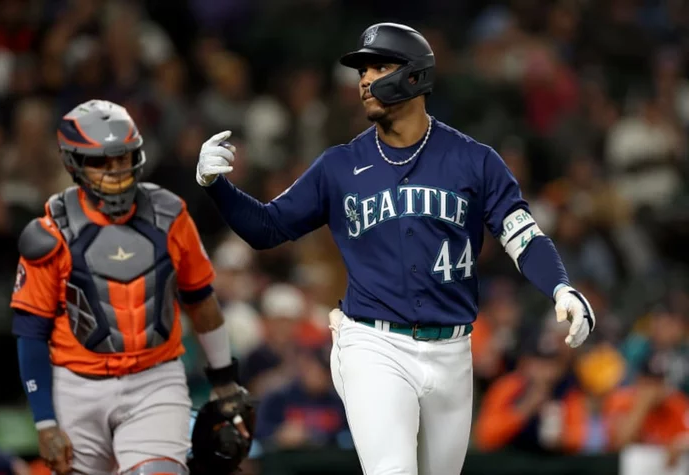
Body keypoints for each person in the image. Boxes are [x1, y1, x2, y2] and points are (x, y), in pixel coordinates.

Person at [195, 23, 596, 475]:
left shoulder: (474, 160)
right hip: (373, 342)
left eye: (379, 66)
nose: (364, 79)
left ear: (414, 76)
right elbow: (268, 228)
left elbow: (523, 236)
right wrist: (218, 189)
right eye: (362, 70)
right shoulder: (339, 165)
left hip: (452, 351)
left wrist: (561, 289)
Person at [10, 100, 249, 475]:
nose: (116, 171)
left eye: (123, 158)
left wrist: (225, 380)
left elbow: (201, 299)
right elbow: (30, 331)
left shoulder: (170, 214)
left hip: (154, 379)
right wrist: (44, 422)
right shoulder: (51, 231)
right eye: (102, 161)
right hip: (76, 385)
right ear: (73, 162)